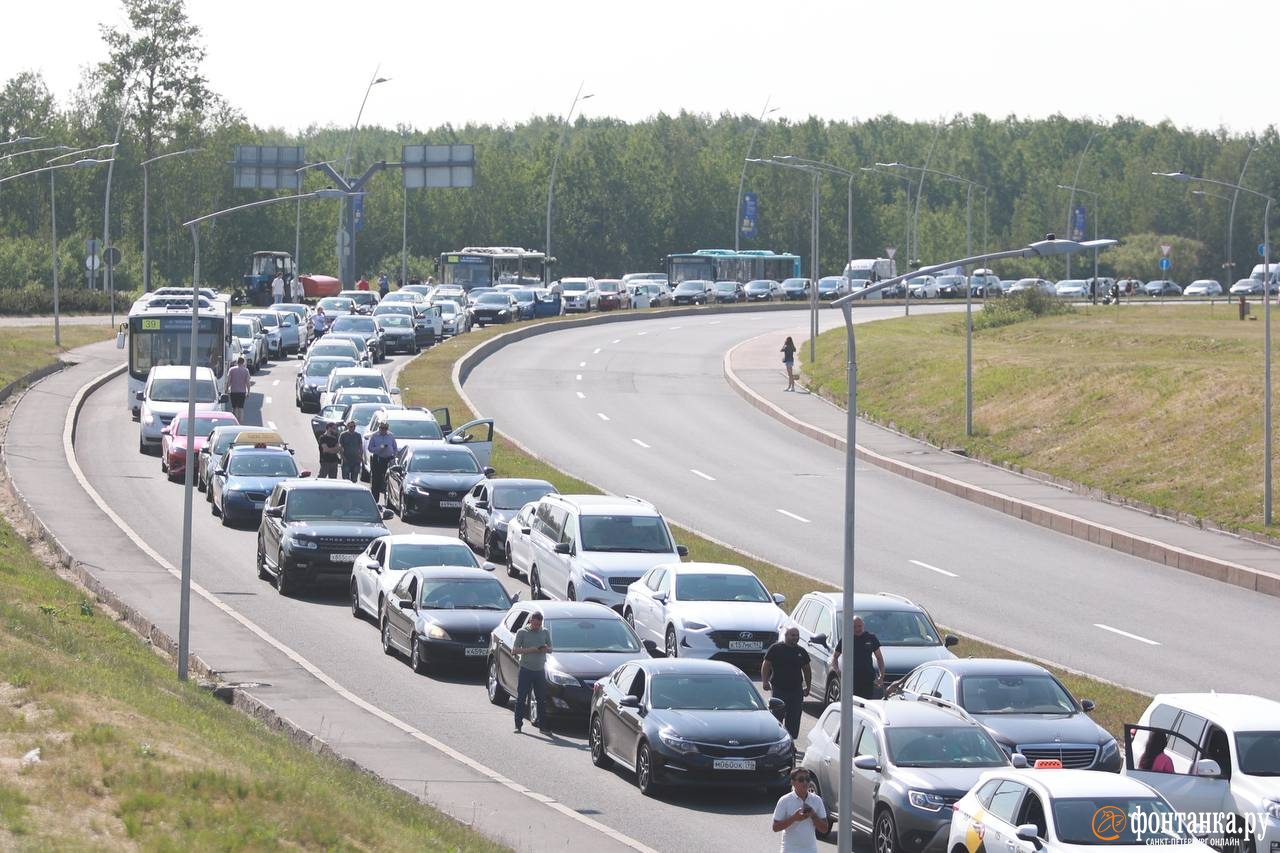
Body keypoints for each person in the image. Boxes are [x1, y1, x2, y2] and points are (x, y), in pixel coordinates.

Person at [761, 627, 811, 741]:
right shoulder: (775, 648)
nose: (795, 637)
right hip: (779, 689)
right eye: (792, 635)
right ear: (786, 635)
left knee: (794, 718)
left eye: (797, 635)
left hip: (796, 690)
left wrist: (808, 686)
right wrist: (764, 681)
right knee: (777, 715)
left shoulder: (801, 651)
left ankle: (791, 741)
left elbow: (807, 670)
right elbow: (766, 664)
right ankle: (776, 740)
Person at [511, 611, 552, 733]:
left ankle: (542, 726)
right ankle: (518, 725)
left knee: (541, 699)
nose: (537, 627)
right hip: (526, 669)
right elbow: (514, 650)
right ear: (530, 621)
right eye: (535, 624)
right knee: (521, 697)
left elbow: (551, 649)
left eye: (539, 624)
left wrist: (545, 649)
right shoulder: (522, 632)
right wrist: (531, 650)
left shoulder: (545, 632)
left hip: (539, 670)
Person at [772, 767, 829, 853]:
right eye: (801, 779)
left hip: (810, 850)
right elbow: (775, 827)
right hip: (790, 850)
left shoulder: (817, 800)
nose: (805, 782)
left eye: (807, 779)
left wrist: (813, 815)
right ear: (793, 782)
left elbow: (824, 829)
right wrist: (794, 818)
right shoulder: (784, 800)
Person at [832, 616, 886, 699]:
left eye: (859, 626)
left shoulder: (871, 638)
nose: (857, 629)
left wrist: (881, 676)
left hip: (867, 680)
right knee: (851, 706)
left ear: (863, 625)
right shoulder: (846, 639)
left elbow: (879, 658)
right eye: (854, 627)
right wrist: (838, 671)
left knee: (866, 706)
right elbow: (835, 657)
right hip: (850, 681)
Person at [366, 421, 399, 503]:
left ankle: (388, 500)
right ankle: (375, 500)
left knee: (388, 479)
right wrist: (379, 448)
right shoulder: (375, 436)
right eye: (381, 428)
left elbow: (395, 448)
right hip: (378, 459)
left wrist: (393, 456)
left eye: (385, 428)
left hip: (388, 459)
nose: (383, 430)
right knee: (376, 480)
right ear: (379, 428)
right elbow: (370, 448)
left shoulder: (391, 436)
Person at [226, 356, 252, 422]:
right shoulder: (246, 370)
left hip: (233, 391)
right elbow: (248, 383)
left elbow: (228, 381)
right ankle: (240, 423)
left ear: (237, 362)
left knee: (234, 408)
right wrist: (248, 392)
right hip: (242, 392)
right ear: (243, 362)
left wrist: (227, 389)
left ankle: (234, 422)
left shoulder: (231, 369)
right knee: (241, 408)